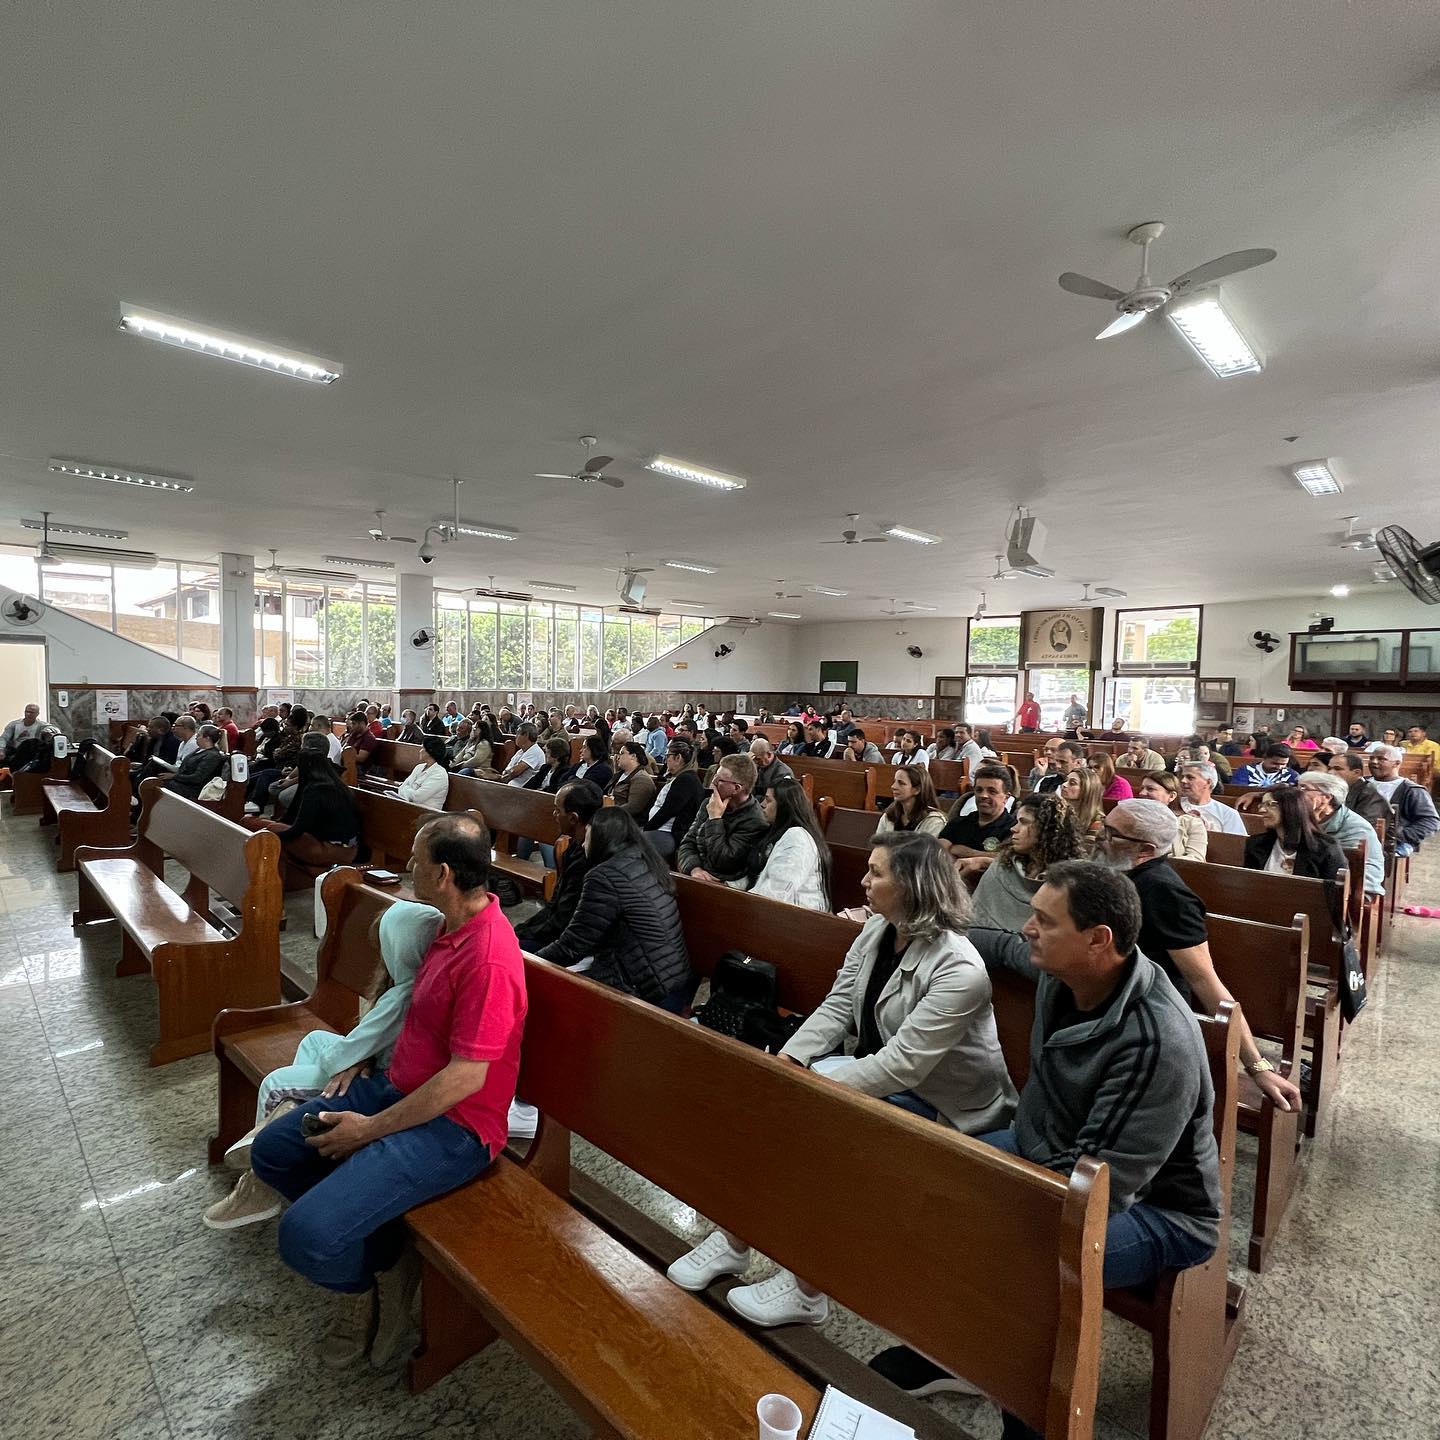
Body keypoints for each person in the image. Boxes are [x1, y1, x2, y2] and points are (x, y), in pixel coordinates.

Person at [902, 863, 1220, 1415]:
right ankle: (960, 1349)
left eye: (1045, 921)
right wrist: (919, 922)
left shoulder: (1155, 1042)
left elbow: (1098, 1188)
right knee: (935, 1194)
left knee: (1018, 1259)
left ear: (1100, 940)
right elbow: (1000, 944)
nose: (1029, 928)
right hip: (1046, 1155)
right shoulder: (1064, 970)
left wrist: (999, 1206)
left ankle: (1020, 1401)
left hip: (1157, 1210)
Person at [670, 833, 1017, 1328]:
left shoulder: (959, 968)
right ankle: (734, 1241)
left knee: (822, 1135)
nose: (863, 880)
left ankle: (809, 1289)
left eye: (876, 873)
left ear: (914, 885)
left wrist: (817, 1091)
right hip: (882, 1077)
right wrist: (788, 1063)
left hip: (948, 1107)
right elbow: (837, 1006)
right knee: (767, 1107)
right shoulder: (878, 931)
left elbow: (904, 1065)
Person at [250, 814, 526, 1368]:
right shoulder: (445, 925)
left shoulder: (489, 956)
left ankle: (359, 1293)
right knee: (273, 1151)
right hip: (396, 1089)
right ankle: (385, 1252)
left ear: (443, 874)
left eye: (415, 862)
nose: (406, 868)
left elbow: (467, 1077)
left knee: (303, 1235)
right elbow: (405, 1011)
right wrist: (365, 1061)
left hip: (456, 1127)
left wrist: (370, 1130)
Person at [205, 899, 444, 1230]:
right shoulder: (413, 985)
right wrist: (352, 1056)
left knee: (277, 1083)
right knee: (313, 1040)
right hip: (370, 1061)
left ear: (396, 949)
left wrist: (349, 1059)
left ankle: (260, 1178)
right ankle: (295, 1113)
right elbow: (360, 1045)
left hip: (376, 1078)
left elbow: (349, 1051)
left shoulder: (401, 996)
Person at [1096, 800, 1303, 1101]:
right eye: (1104, 827)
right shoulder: (1120, 872)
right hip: (1115, 1001)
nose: (1100, 838)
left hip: (1149, 1018)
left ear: (1145, 850)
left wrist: (1257, 1066)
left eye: (1112, 834)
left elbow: (1204, 980)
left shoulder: (1166, 894)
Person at [537, 807, 694, 1009]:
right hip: (672, 975)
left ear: (603, 839)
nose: (583, 843)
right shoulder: (645, 859)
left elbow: (573, 945)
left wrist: (529, 961)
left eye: (588, 836)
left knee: (545, 991)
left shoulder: (604, 876)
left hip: (646, 986)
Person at [969, 793, 1084, 931]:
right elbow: (976, 914)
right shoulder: (1004, 865)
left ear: (1045, 828)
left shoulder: (1070, 881)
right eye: (1017, 822)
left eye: (1024, 822)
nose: (1014, 828)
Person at [243, 746, 361, 878]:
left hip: (331, 850)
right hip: (343, 847)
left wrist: (268, 835)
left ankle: (269, 883)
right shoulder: (336, 785)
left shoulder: (316, 790)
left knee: (269, 831)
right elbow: (292, 820)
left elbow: (297, 829)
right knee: (251, 823)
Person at [514, 782, 604, 951]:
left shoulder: (589, 860)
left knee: (506, 950)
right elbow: (555, 905)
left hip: (569, 943)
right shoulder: (575, 845)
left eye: (557, 810)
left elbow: (563, 921)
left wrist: (522, 936)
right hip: (556, 929)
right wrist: (521, 930)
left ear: (573, 818)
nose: (554, 814)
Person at [676, 753, 768, 887]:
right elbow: (687, 843)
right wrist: (694, 868)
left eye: (719, 780)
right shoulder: (709, 803)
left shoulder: (755, 821)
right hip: (695, 876)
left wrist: (715, 820)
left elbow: (723, 863)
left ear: (736, 788)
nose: (712, 783)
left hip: (722, 886)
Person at [1296, 772, 1385, 897]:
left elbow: (1368, 875)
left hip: (1345, 892)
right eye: (1298, 787)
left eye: (1304, 788)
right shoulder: (1298, 817)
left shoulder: (1357, 828)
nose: (1296, 793)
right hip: (1308, 884)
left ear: (1326, 797)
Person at [747, 779, 831, 910]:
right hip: (784, 913)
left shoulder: (798, 838)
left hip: (802, 919)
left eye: (768, 800)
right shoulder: (779, 832)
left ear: (783, 805)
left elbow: (777, 893)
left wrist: (740, 901)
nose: (762, 804)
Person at [1244, 786, 1347, 885]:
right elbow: (1249, 885)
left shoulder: (1326, 848)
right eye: (1261, 805)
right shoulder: (1255, 844)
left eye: (1270, 804)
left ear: (1292, 808)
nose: (1261, 810)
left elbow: (1335, 894)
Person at [1367, 745, 1439, 856]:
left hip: (1392, 843)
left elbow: (1430, 821)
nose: (1374, 762)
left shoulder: (1411, 790)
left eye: (1381, 759)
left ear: (1396, 764)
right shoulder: (1362, 784)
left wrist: (1399, 836)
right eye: (1371, 758)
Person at [643, 740, 705, 862]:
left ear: (678, 758)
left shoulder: (686, 780)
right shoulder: (681, 777)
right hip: (660, 829)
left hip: (669, 834)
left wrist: (646, 828)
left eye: (667, 756)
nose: (666, 760)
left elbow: (668, 811)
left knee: (630, 847)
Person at [939, 764, 1017, 854]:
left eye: (992, 791)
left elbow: (1008, 860)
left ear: (1006, 797)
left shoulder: (1013, 829)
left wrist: (966, 852)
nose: (983, 795)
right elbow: (938, 852)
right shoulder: (957, 823)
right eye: (979, 790)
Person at [1137, 772, 1209, 860]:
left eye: (1150, 789)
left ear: (1171, 796)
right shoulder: (1132, 818)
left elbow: (1196, 858)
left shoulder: (1191, 823)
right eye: (1142, 788)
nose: (1142, 793)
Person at [1326, 752, 1395, 837]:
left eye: (1337, 769)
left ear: (1357, 773)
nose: (1330, 773)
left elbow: (1361, 830)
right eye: (1329, 768)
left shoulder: (1371, 796)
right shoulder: (1335, 791)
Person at [875, 764, 947, 837]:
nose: (893, 786)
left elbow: (927, 848)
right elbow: (878, 845)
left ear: (917, 790)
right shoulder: (889, 816)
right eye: (895, 781)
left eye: (901, 783)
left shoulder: (934, 821)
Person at [1176, 762, 1247, 835]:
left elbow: (1236, 843)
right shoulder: (1172, 804)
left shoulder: (1228, 814)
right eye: (1183, 777)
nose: (1183, 781)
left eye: (1190, 777)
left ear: (1208, 782)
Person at [162, 723, 227, 801]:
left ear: (207, 738)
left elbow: (197, 778)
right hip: (183, 782)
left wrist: (174, 776)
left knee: (160, 784)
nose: (196, 737)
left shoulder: (212, 756)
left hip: (193, 789)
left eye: (199, 735)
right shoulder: (199, 750)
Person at [397, 736, 450, 811]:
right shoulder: (419, 767)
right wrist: (408, 791)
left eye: (423, 748)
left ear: (430, 752)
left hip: (427, 814)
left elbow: (417, 798)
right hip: (410, 807)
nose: (420, 751)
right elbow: (401, 787)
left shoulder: (439, 774)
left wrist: (406, 790)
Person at [607, 741, 658, 818]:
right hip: (612, 814)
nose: (618, 757)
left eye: (622, 753)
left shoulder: (641, 779)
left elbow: (634, 807)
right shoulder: (619, 774)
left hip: (625, 820)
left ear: (633, 756)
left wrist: (608, 813)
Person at [1058, 765, 1105, 846]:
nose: (1064, 785)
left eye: (1072, 783)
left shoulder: (1098, 821)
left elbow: (1087, 851)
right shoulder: (1058, 809)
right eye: (1066, 780)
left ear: (1087, 789)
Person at [499, 722, 545, 788]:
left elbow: (514, 772)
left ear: (526, 735)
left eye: (518, 733)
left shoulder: (535, 752)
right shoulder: (521, 751)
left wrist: (501, 777)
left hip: (524, 790)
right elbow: (507, 770)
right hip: (512, 786)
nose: (515, 736)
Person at [1, 703, 43, 767]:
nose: (28, 714)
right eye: (27, 712)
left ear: (37, 714)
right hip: (14, 750)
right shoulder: (14, 724)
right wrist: (1, 750)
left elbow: (52, 729)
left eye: (31, 712)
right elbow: (4, 738)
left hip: (31, 752)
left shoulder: (41, 725)